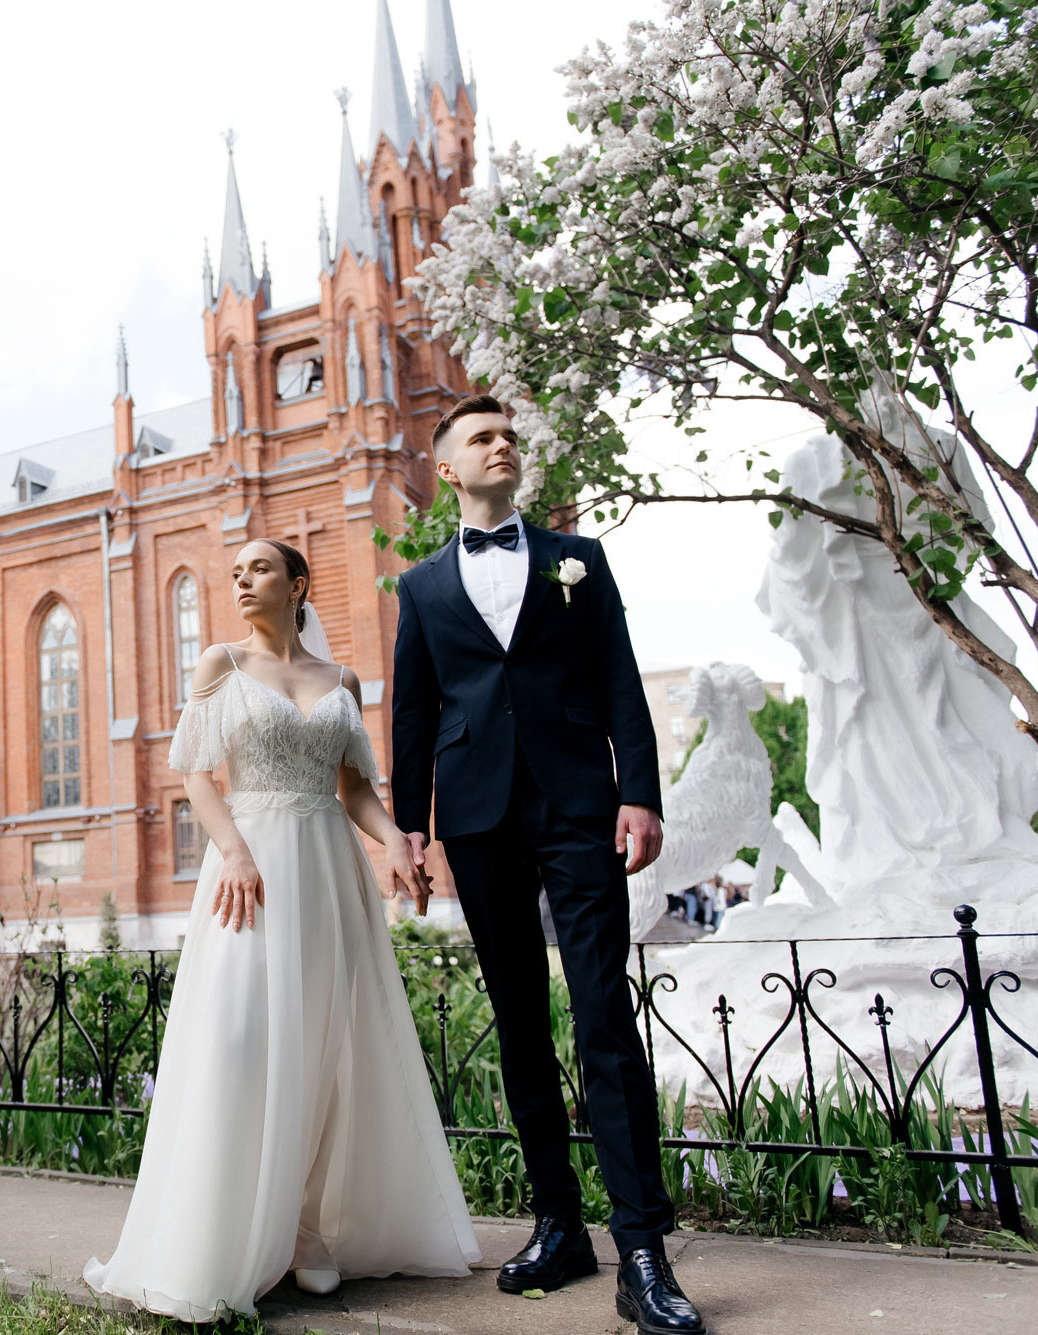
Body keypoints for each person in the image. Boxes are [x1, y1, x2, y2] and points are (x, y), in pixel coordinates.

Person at [84, 538, 478, 1320]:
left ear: (297, 584)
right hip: (249, 873)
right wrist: (230, 849)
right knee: (235, 1039)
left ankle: (303, 1229)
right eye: (235, 572)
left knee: (322, 1045)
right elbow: (196, 770)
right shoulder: (220, 665)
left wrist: (394, 839)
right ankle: (218, 1230)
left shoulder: (341, 679)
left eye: (259, 568)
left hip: (327, 872)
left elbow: (355, 787)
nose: (241, 579)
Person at [391, 394, 704, 1335]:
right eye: (482, 438)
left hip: (578, 805)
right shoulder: (420, 587)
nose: (503, 445)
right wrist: (411, 826)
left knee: (604, 1013)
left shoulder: (581, 559)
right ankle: (557, 1223)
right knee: (522, 1022)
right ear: (447, 467)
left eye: (510, 437)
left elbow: (618, 673)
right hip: (478, 817)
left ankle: (642, 1248)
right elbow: (411, 711)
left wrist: (639, 792)